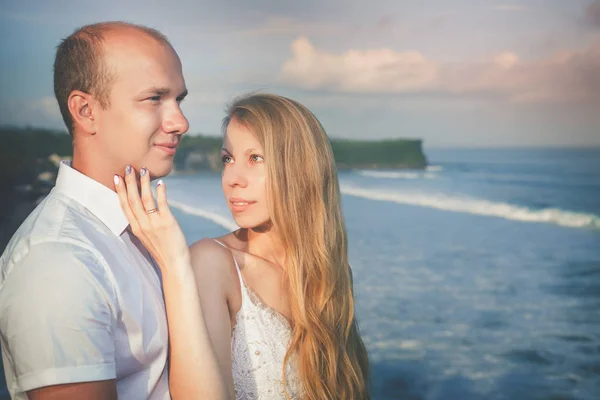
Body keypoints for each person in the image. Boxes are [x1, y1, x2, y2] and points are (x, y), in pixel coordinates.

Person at [115, 93, 371, 399]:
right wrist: (174, 264)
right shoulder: (214, 263)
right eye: (228, 159)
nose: (233, 178)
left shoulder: (333, 273)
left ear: (301, 169)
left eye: (255, 158)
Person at [0, 21, 194, 399]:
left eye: (179, 100)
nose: (180, 122)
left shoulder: (138, 233)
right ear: (86, 110)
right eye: (154, 98)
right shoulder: (58, 260)